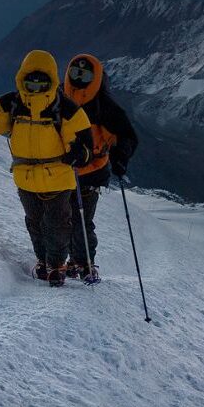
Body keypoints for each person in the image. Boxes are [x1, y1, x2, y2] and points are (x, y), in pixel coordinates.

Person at [0, 50, 93, 287]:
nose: (36, 87)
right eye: (31, 81)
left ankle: (56, 264)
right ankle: (45, 261)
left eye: (41, 82)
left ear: (51, 80)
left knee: (57, 223)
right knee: (36, 222)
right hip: (28, 178)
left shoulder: (63, 108)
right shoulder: (13, 103)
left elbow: (83, 141)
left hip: (56, 178)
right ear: (22, 78)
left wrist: (80, 153)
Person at [63, 54, 138, 279]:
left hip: (86, 172)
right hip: (76, 170)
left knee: (79, 220)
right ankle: (76, 261)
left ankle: (83, 262)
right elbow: (128, 136)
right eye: (76, 73)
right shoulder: (104, 104)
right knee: (69, 218)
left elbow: (126, 137)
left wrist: (120, 156)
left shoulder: (63, 97)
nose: (79, 79)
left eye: (84, 75)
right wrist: (119, 158)